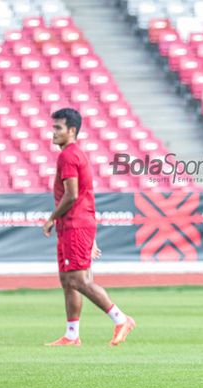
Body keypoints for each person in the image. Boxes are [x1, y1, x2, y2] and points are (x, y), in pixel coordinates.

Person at [43, 108, 135, 346]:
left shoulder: (69, 156)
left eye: (58, 128)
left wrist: (52, 217)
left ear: (71, 130)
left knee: (78, 279)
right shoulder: (72, 154)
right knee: (67, 280)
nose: (53, 132)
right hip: (72, 225)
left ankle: (121, 319)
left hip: (74, 224)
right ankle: (72, 335)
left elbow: (72, 195)